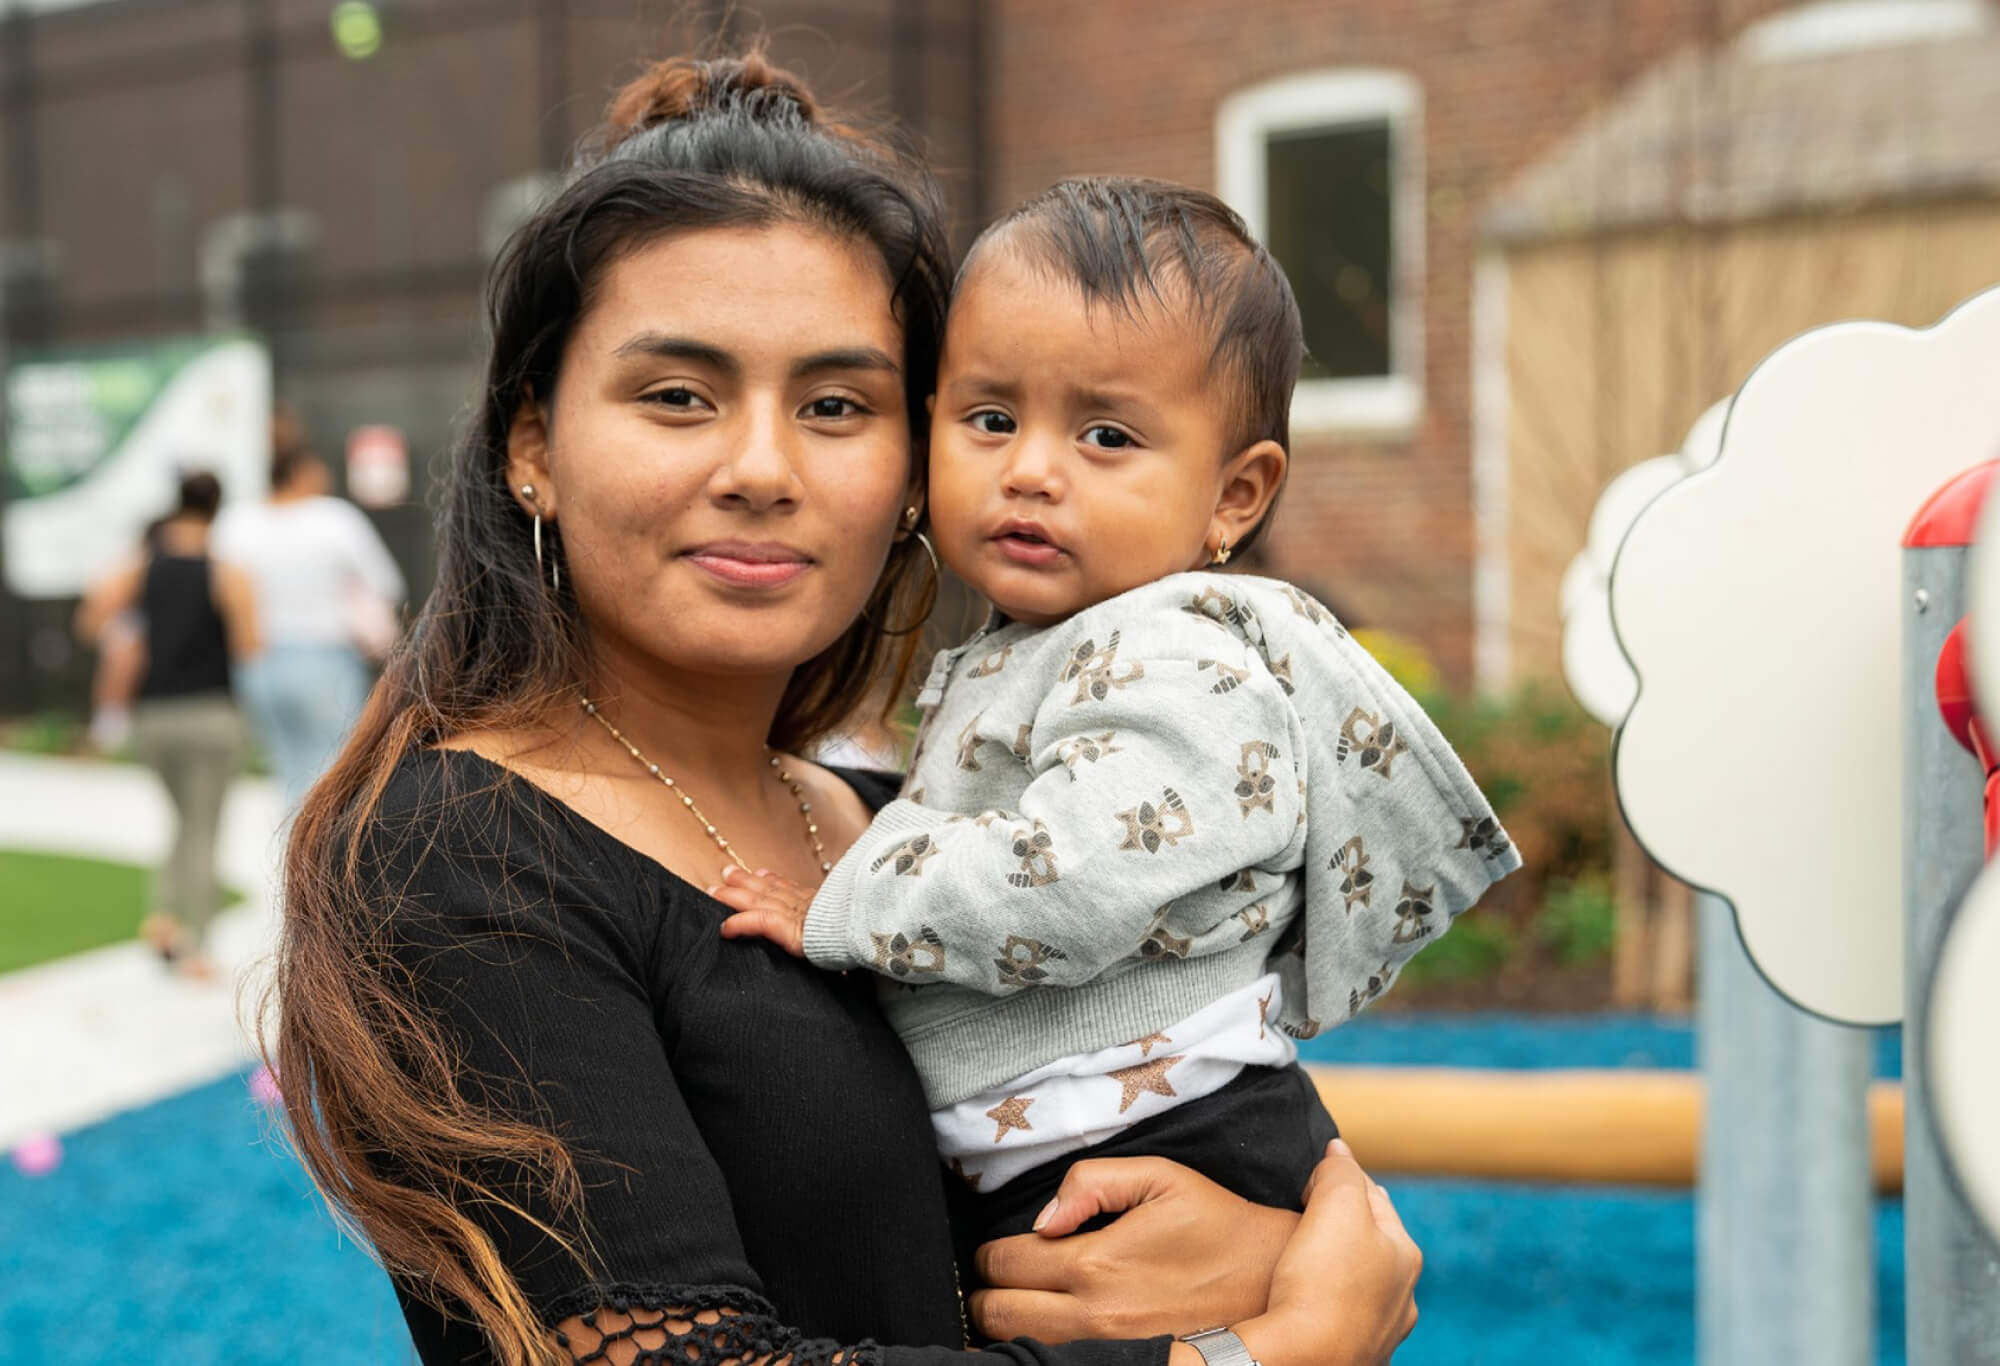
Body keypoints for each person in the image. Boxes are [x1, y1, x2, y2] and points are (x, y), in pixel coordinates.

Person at [269, 51, 1420, 1366]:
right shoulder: (459, 855)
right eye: (678, 396)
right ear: (533, 443)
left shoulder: (905, 818)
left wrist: (1262, 1242)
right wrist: (1256, 1354)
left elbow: (1196, 1108)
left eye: (835, 404)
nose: (762, 468)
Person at [710, 178, 1521, 1233]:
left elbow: (1075, 877)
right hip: (1076, 1132)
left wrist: (846, 910)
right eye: (990, 419)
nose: (1031, 470)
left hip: (1159, 1134)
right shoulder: (1053, 645)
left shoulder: (1179, 660)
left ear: (1234, 495)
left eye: (1106, 437)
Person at [77, 472, 260, 979]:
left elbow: (93, 617)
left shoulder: (140, 567)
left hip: (153, 716)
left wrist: (131, 642)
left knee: (181, 822)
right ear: (218, 510)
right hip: (211, 714)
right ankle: (197, 945)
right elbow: (250, 645)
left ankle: (163, 917)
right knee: (204, 828)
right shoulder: (227, 573)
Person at [215, 424, 405, 813]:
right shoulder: (334, 519)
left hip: (258, 662)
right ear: (301, 471)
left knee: (287, 773)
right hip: (324, 659)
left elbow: (223, 592)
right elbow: (386, 584)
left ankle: (292, 863)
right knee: (337, 774)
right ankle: (326, 868)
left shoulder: (235, 523)